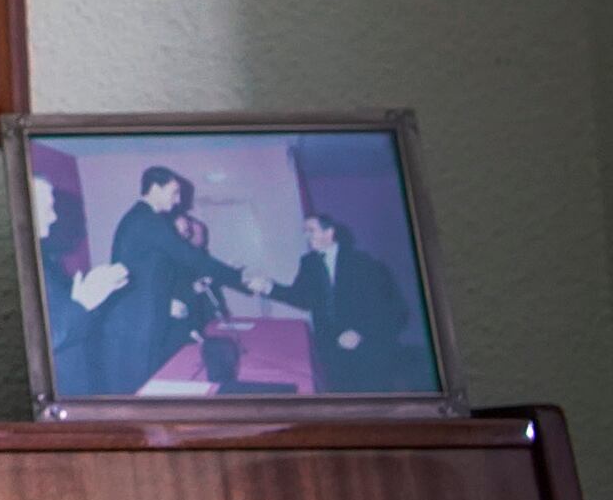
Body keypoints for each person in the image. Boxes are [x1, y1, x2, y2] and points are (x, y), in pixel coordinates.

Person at [88, 167, 233, 395]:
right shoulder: (147, 220)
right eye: (174, 193)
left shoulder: (148, 219)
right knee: (135, 394)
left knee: (146, 389)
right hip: (132, 326)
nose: (178, 201)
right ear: (155, 189)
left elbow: (157, 275)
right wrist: (240, 278)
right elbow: (191, 257)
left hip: (142, 322)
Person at [245, 214, 414, 394]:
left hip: (366, 346)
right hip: (330, 345)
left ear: (329, 233)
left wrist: (360, 332)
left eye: (311, 230)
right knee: (342, 395)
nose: (306, 236)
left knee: (372, 394)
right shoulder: (309, 262)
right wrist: (268, 287)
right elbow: (301, 298)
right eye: (304, 232)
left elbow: (388, 308)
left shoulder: (362, 262)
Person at [31, 176, 128, 395]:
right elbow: (48, 335)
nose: (54, 217)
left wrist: (81, 299)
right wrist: (83, 302)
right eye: (47, 208)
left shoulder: (40, 258)